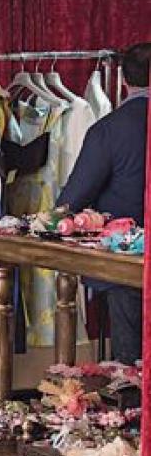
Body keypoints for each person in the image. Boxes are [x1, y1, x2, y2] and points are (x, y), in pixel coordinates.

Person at [56, 42, 150, 365]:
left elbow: (73, 198)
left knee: (131, 366)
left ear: (123, 80)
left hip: (127, 265)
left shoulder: (109, 130)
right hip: (130, 264)